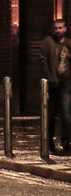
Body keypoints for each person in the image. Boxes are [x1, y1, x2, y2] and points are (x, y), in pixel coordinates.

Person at [41, 18, 71, 154]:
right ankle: (49, 143)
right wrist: (49, 77)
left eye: (60, 28)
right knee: (50, 115)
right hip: (52, 84)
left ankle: (66, 142)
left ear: (65, 29)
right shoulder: (48, 42)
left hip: (66, 84)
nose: (58, 31)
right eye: (55, 28)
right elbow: (42, 60)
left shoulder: (69, 43)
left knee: (66, 113)